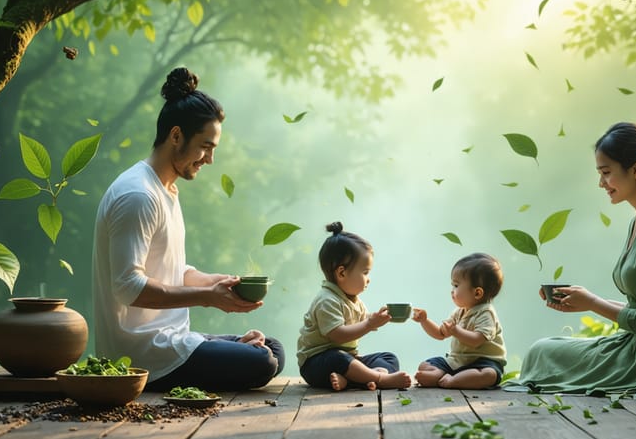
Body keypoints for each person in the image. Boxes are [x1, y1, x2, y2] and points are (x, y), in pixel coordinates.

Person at [93, 67, 284, 392]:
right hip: (142, 355)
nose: (209, 159)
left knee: (272, 348)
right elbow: (127, 286)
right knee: (262, 360)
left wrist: (218, 283)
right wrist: (207, 298)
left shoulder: (165, 188)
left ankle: (233, 349)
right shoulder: (138, 195)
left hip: (173, 339)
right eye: (205, 147)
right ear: (176, 136)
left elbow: (169, 270)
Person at [504, 122, 636, 394]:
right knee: (543, 350)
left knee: (543, 353)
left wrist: (593, 303)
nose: (601, 183)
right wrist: (586, 301)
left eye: (606, 172)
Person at [296, 222, 412, 391]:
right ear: (342, 273)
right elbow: (338, 336)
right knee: (337, 358)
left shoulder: (353, 300)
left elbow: (361, 322)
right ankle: (379, 378)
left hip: (349, 360)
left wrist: (376, 318)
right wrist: (368, 324)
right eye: (365, 272)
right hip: (317, 364)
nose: (368, 278)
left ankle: (354, 379)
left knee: (389, 358)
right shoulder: (326, 300)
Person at [413, 253, 507, 389]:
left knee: (489, 374)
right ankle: (447, 376)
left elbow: (477, 340)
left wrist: (456, 331)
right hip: (458, 361)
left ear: (477, 293)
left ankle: (452, 381)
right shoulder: (460, 311)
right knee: (425, 365)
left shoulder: (486, 313)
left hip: (483, 362)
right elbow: (440, 334)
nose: (452, 291)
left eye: (456, 286)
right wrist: (424, 320)